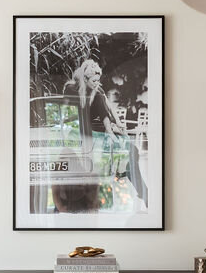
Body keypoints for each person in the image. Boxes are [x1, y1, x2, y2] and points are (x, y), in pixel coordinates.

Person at [63, 59, 148, 207]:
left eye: (98, 80)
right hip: (81, 132)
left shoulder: (98, 91)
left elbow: (108, 110)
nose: (97, 83)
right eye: (94, 80)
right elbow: (68, 113)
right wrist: (109, 131)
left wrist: (119, 125)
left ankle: (143, 191)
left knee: (131, 149)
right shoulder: (71, 89)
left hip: (96, 129)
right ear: (85, 78)